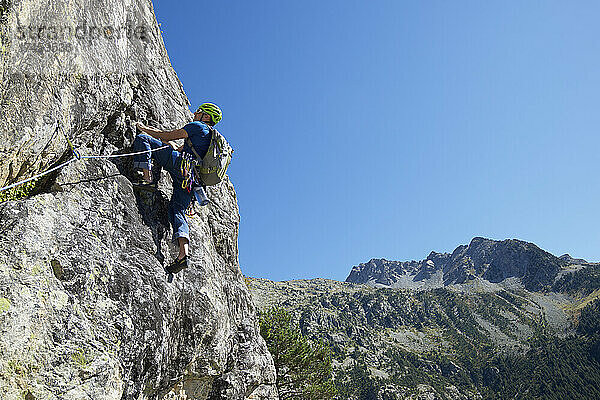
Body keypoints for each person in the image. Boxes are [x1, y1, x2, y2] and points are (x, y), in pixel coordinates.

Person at [132, 102, 223, 274]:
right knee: (177, 210)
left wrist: (143, 128)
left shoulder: (197, 126)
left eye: (200, 112)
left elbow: (167, 135)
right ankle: (183, 254)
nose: (195, 113)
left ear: (206, 117)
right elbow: (179, 147)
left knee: (143, 139)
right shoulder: (209, 137)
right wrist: (170, 144)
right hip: (192, 180)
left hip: (180, 165)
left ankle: (147, 179)